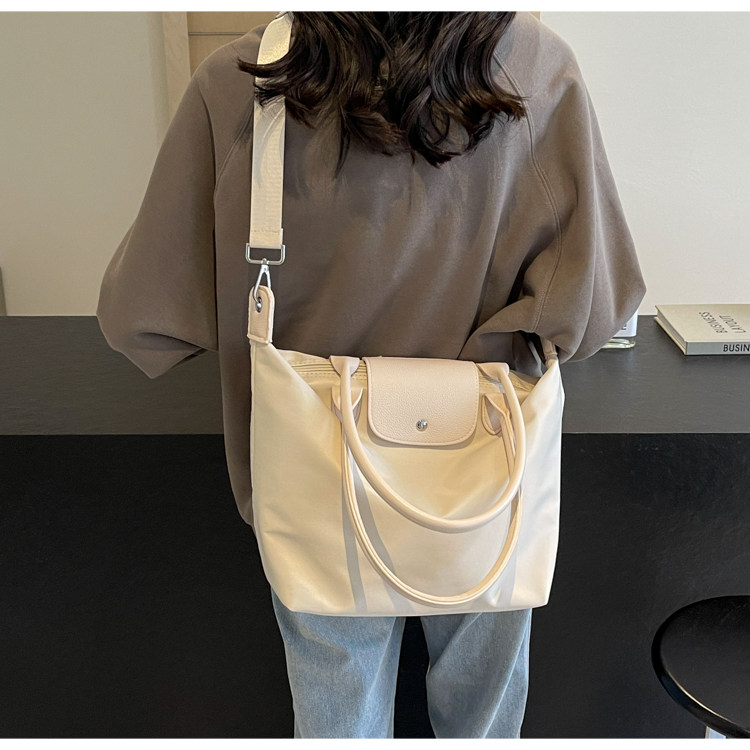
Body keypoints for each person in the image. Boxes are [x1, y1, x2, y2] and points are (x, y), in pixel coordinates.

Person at [97, 11, 646, 739]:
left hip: (314, 477)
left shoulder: (242, 83)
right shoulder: (536, 71)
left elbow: (141, 317)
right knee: (482, 720)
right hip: (489, 470)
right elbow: (596, 309)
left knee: (338, 718)